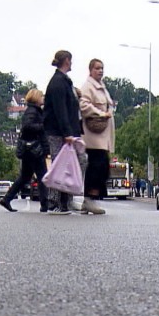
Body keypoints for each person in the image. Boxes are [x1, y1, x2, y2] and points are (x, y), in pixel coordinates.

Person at [43, 50, 87, 215]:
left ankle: (64, 200)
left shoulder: (63, 82)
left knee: (71, 164)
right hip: (60, 133)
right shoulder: (58, 83)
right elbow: (61, 110)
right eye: (71, 60)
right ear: (67, 61)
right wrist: (67, 132)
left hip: (66, 131)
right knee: (61, 166)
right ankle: (57, 201)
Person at [0, 88, 49, 212]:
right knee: (42, 176)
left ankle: (7, 199)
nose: (43, 98)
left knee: (25, 176)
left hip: (29, 149)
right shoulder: (33, 112)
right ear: (36, 98)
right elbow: (27, 127)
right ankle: (44, 204)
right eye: (41, 96)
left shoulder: (33, 111)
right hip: (34, 149)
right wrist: (43, 126)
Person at [78, 59, 116, 215]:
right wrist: (100, 113)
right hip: (94, 135)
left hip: (102, 135)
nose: (100, 71)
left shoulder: (102, 88)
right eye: (97, 68)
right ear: (90, 70)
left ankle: (89, 200)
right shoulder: (88, 86)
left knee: (101, 167)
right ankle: (89, 199)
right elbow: (83, 105)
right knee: (97, 166)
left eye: (102, 68)